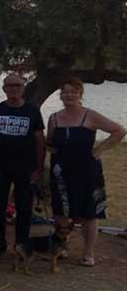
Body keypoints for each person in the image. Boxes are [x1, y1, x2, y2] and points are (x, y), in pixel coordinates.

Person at [46, 78, 125, 267]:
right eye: (65, 92)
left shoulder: (90, 116)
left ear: (80, 94)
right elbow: (50, 141)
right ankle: (62, 247)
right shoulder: (54, 117)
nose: (69, 95)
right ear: (61, 95)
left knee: (89, 212)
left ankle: (88, 253)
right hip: (61, 171)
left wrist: (99, 150)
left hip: (87, 170)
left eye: (73, 91)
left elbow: (119, 130)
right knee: (61, 211)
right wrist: (54, 152)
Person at [0, 74, 46, 256]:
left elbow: (40, 141)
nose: (13, 89)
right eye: (9, 86)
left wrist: (39, 169)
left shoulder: (32, 110)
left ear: (23, 88)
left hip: (25, 167)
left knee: (24, 208)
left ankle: (21, 245)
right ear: (4, 89)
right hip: (0, 167)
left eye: (17, 85)